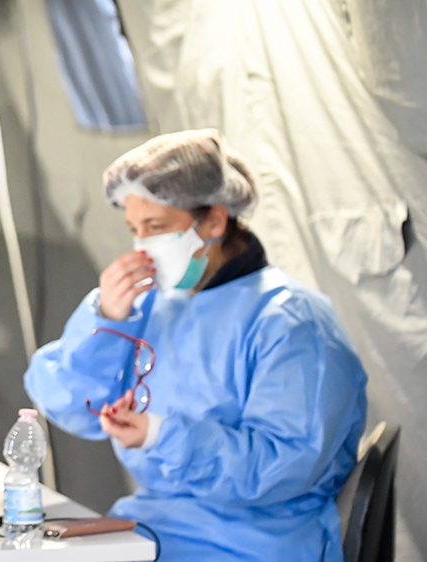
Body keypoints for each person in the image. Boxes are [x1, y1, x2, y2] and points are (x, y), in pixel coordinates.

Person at [24, 129, 367, 561]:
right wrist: (106, 319)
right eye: (135, 229)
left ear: (215, 221)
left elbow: (280, 468)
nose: (143, 246)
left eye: (157, 227)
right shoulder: (149, 306)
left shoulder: (292, 322)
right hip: (152, 526)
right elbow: (68, 403)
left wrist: (161, 435)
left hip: (257, 541)